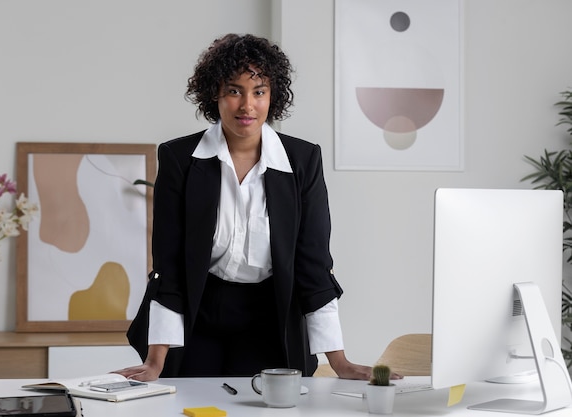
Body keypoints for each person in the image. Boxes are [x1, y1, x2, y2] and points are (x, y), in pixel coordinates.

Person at [115, 33, 395, 381]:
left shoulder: (302, 161)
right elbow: (169, 265)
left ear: (272, 96)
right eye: (234, 91)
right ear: (214, 95)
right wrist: (156, 360)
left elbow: (314, 264)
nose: (247, 105)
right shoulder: (180, 159)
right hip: (198, 313)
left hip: (270, 316)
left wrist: (338, 361)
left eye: (259, 91)